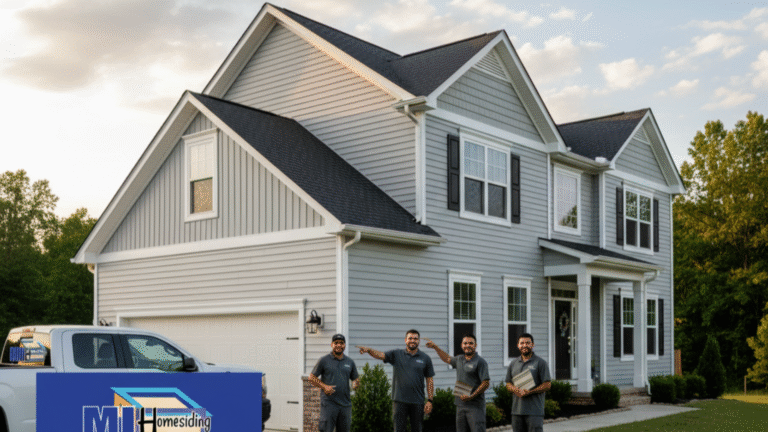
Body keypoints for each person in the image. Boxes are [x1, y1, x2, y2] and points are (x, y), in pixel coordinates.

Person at [357, 329, 435, 432]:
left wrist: (430, 400)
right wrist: (369, 350)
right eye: (410, 338)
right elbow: (381, 355)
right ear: (405, 340)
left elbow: (429, 380)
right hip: (399, 401)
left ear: (419, 341)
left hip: (418, 402)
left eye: (415, 338)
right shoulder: (396, 354)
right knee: (398, 430)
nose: (413, 340)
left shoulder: (425, 358)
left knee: (417, 430)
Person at [425, 334, 490, 432]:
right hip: (460, 405)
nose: (467, 345)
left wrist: (472, 396)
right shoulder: (459, 359)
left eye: (471, 343)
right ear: (461, 345)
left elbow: (486, 383)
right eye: (465, 343)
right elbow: (447, 358)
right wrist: (435, 347)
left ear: (475, 345)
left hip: (475, 407)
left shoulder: (480, 362)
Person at [309, 334, 360, 432]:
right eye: (336, 343)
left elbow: (355, 379)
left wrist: (356, 384)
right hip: (329, 404)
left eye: (341, 343)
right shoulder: (324, 360)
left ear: (344, 345)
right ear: (332, 344)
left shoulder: (350, 362)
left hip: (345, 405)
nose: (339, 345)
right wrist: (324, 387)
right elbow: (311, 377)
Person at [505, 333, 552, 432]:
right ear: (518, 345)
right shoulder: (513, 363)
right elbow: (508, 384)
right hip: (516, 411)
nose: (524, 345)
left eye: (527, 343)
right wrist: (514, 389)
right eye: (522, 343)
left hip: (534, 412)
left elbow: (547, 385)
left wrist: (530, 391)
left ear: (533, 345)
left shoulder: (540, 363)